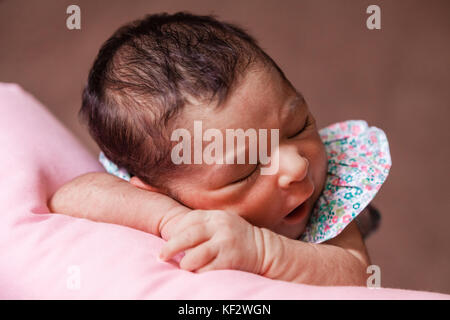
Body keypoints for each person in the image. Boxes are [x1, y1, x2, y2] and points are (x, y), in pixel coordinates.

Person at [49, 12, 391, 286]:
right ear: (164, 193)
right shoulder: (164, 201)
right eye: (247, 170)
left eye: (298, 125)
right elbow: (68, 197)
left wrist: (261, 251)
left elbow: (356, 275)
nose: (296, 166)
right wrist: (173, 219)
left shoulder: (331, 194)